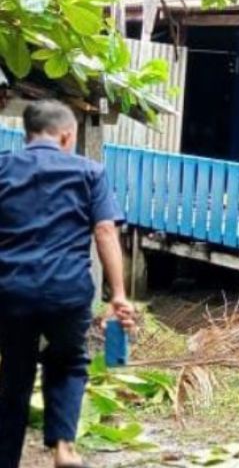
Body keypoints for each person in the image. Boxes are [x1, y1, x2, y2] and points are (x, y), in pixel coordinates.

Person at [0, 100, 135, 468]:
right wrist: (118, 294)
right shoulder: (89, 171)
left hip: (12, 289)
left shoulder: (3, 168)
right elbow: (105, 230)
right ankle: (63, 447)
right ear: (67, 136)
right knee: (69, 360)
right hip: (67, 289)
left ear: (26, 135)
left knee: (15, 371)